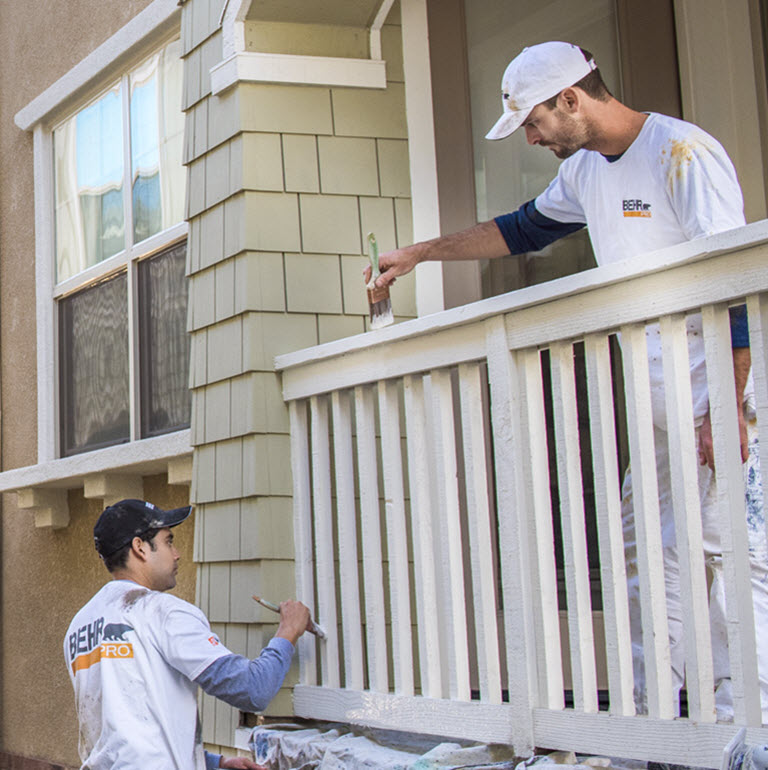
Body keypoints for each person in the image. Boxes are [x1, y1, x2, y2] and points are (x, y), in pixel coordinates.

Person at [367, 41, 767, 721]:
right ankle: (658, 724)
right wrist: (419, 254)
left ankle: (748, 725)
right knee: (649, 550)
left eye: (534, 121)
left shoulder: (681, 153)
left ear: (572, 98)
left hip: (729, 397)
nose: (531, 137)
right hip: (660, 404)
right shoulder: (585, 171)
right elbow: (520, 230)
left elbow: (733, 282)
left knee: (735, 554)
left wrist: (727, 409)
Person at [64, 498, 311, 769]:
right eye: (168, 541)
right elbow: (253, 690)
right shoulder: (162, 612)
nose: (177, 553)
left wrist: (215, 763)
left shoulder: (80, 625)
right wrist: (288, 631)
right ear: (140, 548)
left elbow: (124, 736)